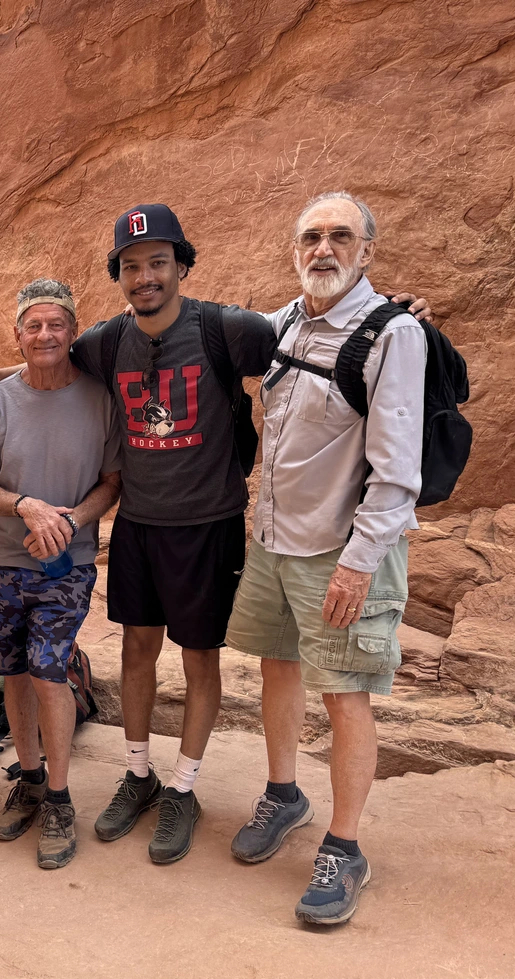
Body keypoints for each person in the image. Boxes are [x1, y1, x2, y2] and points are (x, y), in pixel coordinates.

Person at [0, 205, 430, 868]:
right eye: (132, 266)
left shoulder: (227, 328)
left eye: (159, 262)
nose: (146, 275)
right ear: (120, 277)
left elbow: (326, 332)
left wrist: (395, 315)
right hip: (139, 525)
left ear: (182, 266)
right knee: (135, 652)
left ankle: (183, 786)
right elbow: (47, 357)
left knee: (199, 659)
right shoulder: (105, 342)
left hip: (208, 525)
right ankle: (139, 773)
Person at [224, 192, 425, 925]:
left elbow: (399, 466)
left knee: (345, 694)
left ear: (367, 250)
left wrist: (359, 561)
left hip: (342, 550)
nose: (324, 248)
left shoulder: (392, 334)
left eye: (341, 236)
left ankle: (345, 847)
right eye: (311, 236)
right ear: (294, 250)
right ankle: (285, 794)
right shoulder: (282, 324)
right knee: (279, 664)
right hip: (275, 539)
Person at [0, 279, 121, 869]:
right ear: (17, 335)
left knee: (50, 669)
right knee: (14, 674)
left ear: (73, 332)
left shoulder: (100, 397)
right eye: (34, 326)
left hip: (66, 564)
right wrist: (25, 505)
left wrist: (71, 520)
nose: (46, 335)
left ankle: (58, 797)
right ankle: (28, 779)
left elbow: (112, 479)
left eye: (56, 325)